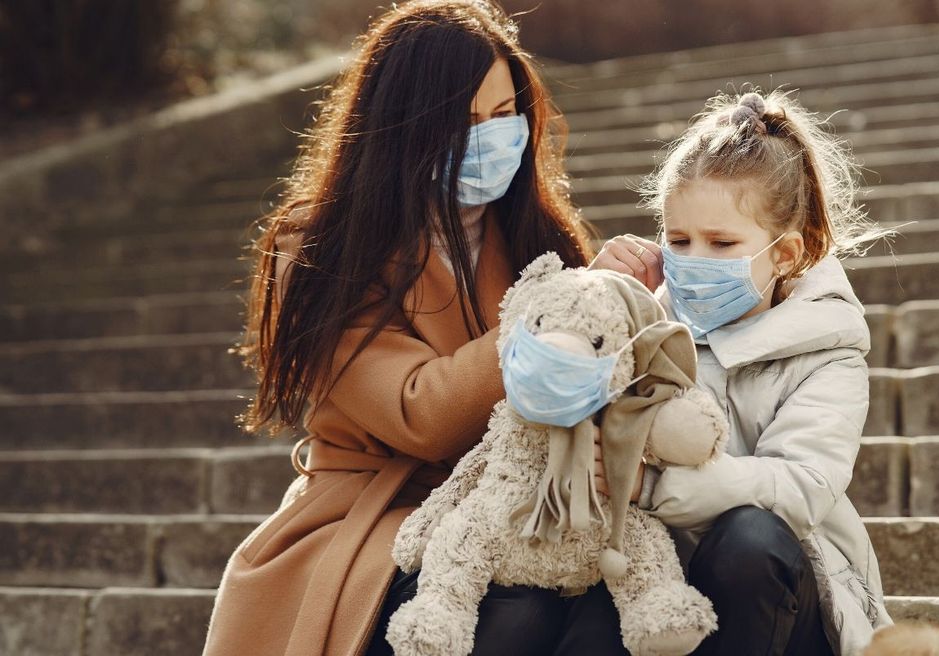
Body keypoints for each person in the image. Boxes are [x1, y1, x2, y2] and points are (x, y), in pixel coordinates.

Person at [200, 1, 638, 655]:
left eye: (501, 115)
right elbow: (421, 413)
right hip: (368, 517)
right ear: (401, 127)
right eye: (463, 121)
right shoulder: (320, 249)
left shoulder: (534, 232)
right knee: (513, 611)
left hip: (510, 501)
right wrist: (554, 312)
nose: (491, 138)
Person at [588, 89, 898, 656]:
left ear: (785, 255)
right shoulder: (647, 325)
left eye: (723, 243)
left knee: (749, 537)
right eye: (679, 241)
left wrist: (652, 485)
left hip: (787, 603)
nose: (696, 260)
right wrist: (595, 299)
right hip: (655, 588)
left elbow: (801, 485)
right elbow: (556, 407)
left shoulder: (830, 351)